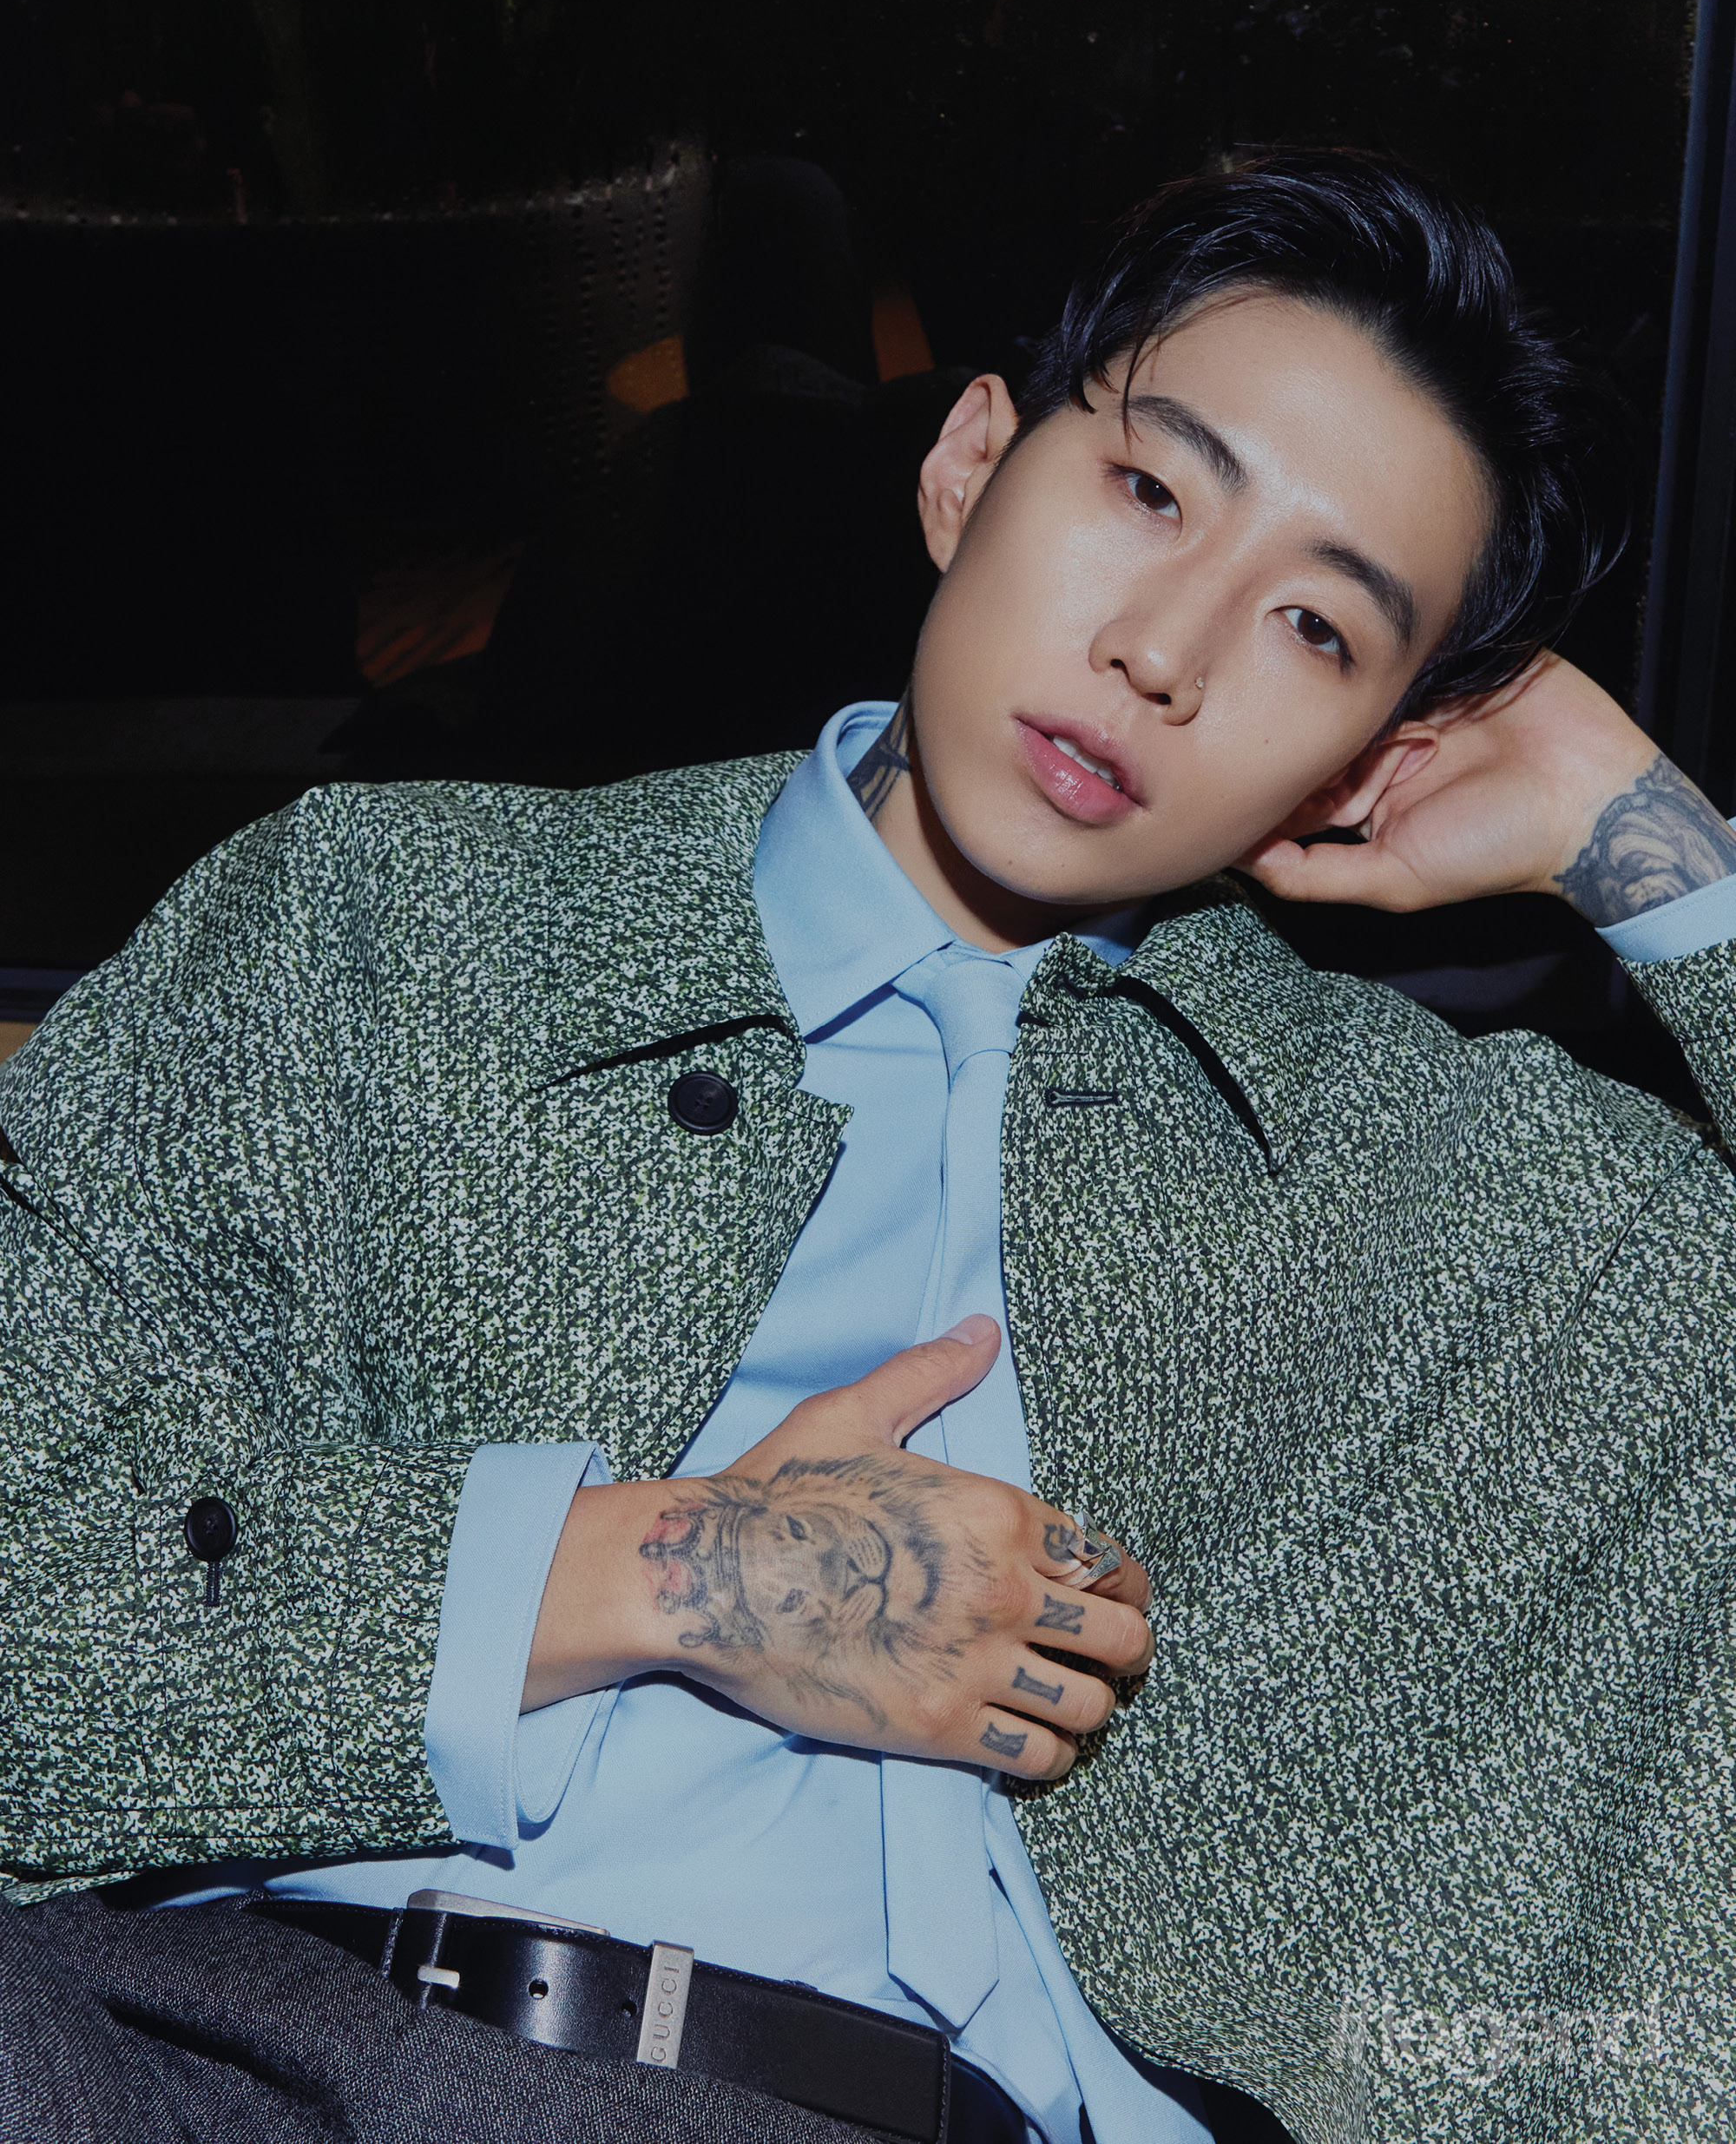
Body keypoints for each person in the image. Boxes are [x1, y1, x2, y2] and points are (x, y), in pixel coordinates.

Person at [2, 150, 1733, 2144]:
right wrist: (665, 1573)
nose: (1164, 650)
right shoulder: (387, 931)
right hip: (202, 2051)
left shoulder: (1416, 1180)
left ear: (1370, 753)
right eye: (1149, 490)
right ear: (967, 463)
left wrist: (1640, 833)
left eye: (1316, 630)